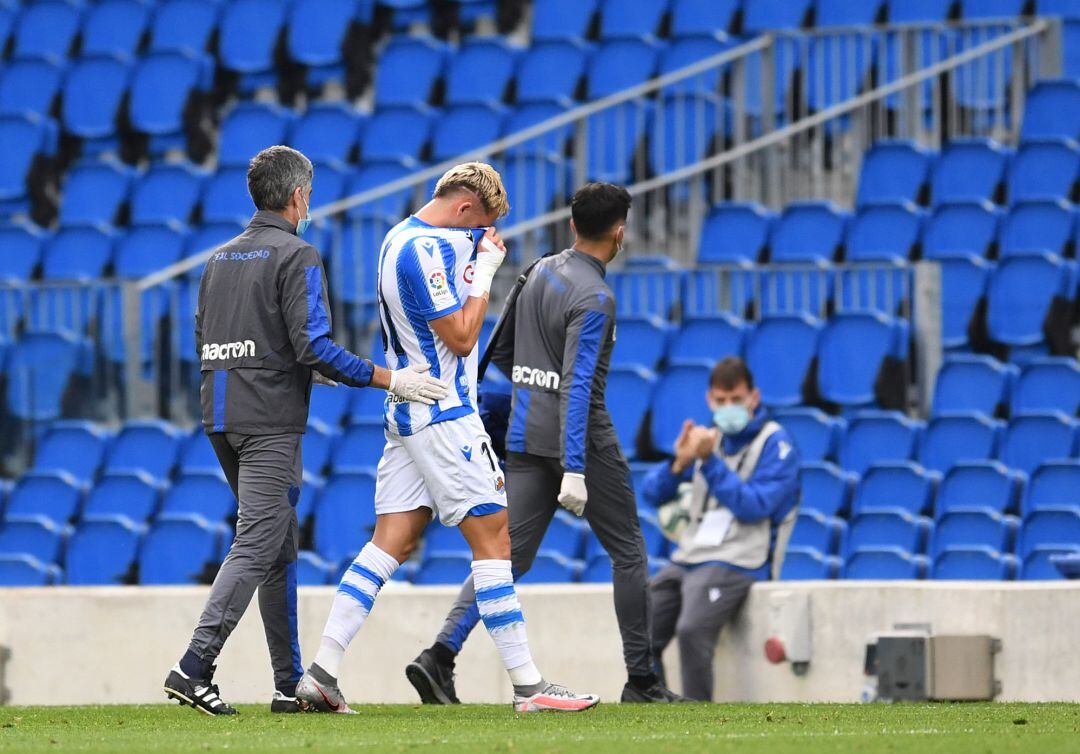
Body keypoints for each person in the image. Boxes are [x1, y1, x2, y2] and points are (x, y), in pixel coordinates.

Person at [295, 163, 599, 714]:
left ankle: (321, 671)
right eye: (476, 224)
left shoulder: (400, 238)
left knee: (392, 541)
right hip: (444, 413)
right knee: (496, 540)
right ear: (463, 208)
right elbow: (460, 338)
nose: (475, 237)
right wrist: (485, 274)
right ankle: (530, 688)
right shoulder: (425, 252)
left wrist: (474, 254)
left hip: (409, 409)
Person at [163, 146, 448, 716]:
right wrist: (389, 378)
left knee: (277, 547)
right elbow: (311, 342)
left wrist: (307, 372)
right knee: (259, 542)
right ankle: (193, 667)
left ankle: (287, 683)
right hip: (269, 421)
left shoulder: (219, 259)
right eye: (310, 195)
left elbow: (208, 338)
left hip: (221, 414)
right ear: (298, 196)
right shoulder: (298, 254)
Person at [404, 182, 683, 706]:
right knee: (628, 553)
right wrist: (575, 466)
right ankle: (642, 682)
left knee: (505, 556)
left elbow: (498, 355)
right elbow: (580, 386)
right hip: (581, 443)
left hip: (526, 436)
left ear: (573, 225)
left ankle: (440, 655)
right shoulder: (595, 296)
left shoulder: (536, 272)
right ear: (619, 232)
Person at [641, 357, 800, 702]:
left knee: (691, 629)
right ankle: (656, 714)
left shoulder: (777, 445)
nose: (728, 408)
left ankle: (699, 719)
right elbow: (652, 493)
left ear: (753, 398)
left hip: (741, 560)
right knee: (641, 628)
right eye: (721, 401)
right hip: (691, 556)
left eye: (736, 400)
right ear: (709, 400)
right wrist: (679, 462)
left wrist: (709, 462)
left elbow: (754, 506)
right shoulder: (706, 440)